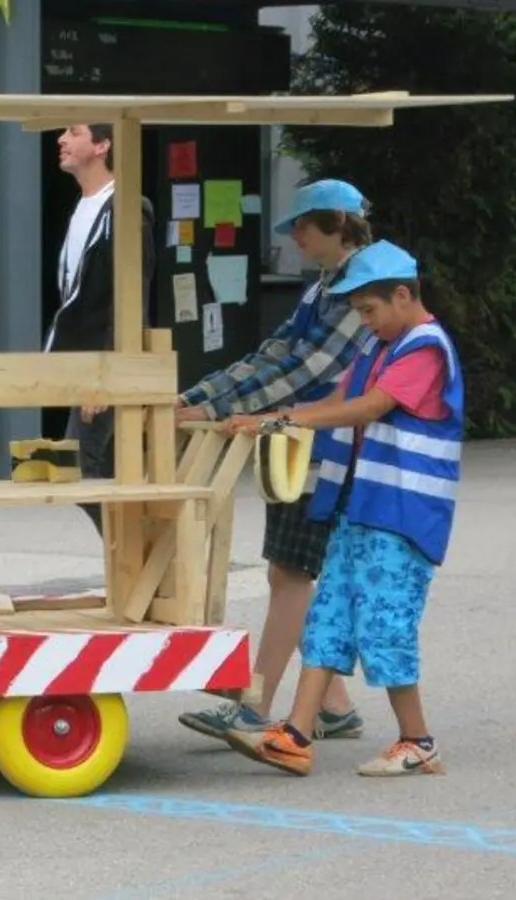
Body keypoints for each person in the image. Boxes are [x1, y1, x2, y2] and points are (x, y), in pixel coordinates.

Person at [220, 239, 463, 777]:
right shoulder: (378, 347)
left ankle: (418, 740)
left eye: (369, 311)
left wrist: (290, 420)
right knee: (328, 613)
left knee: (383, 621)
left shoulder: (425, 347)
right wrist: (273, 417)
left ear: (403, 295)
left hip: (403, 515)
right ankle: (295, 734)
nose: (365, 322)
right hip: (362, 506)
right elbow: (335, 404)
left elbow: (372, 406)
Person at [175, 179, 375, 744]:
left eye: (304, 228)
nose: (297, 239)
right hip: (305, 444)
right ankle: (334, 703)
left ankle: (255, 706)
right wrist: (197, 396)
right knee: (298, 573)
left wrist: (218, 403)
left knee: (291, 573)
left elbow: (306, 370)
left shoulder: (360, 287)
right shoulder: (326, 284)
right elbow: (273, 352)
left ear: (336, 223)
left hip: (330, 449)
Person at [47, 123, 154, 535]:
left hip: (105, 363)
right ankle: (136, 572)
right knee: (101, 472)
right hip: (80, 362)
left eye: (74, 132)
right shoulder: (83, 206)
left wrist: (107, 374)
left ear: (103, 145)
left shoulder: (126, 207)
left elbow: (130, 296)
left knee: (83, 469)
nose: (61, 140)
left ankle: (142, 560)